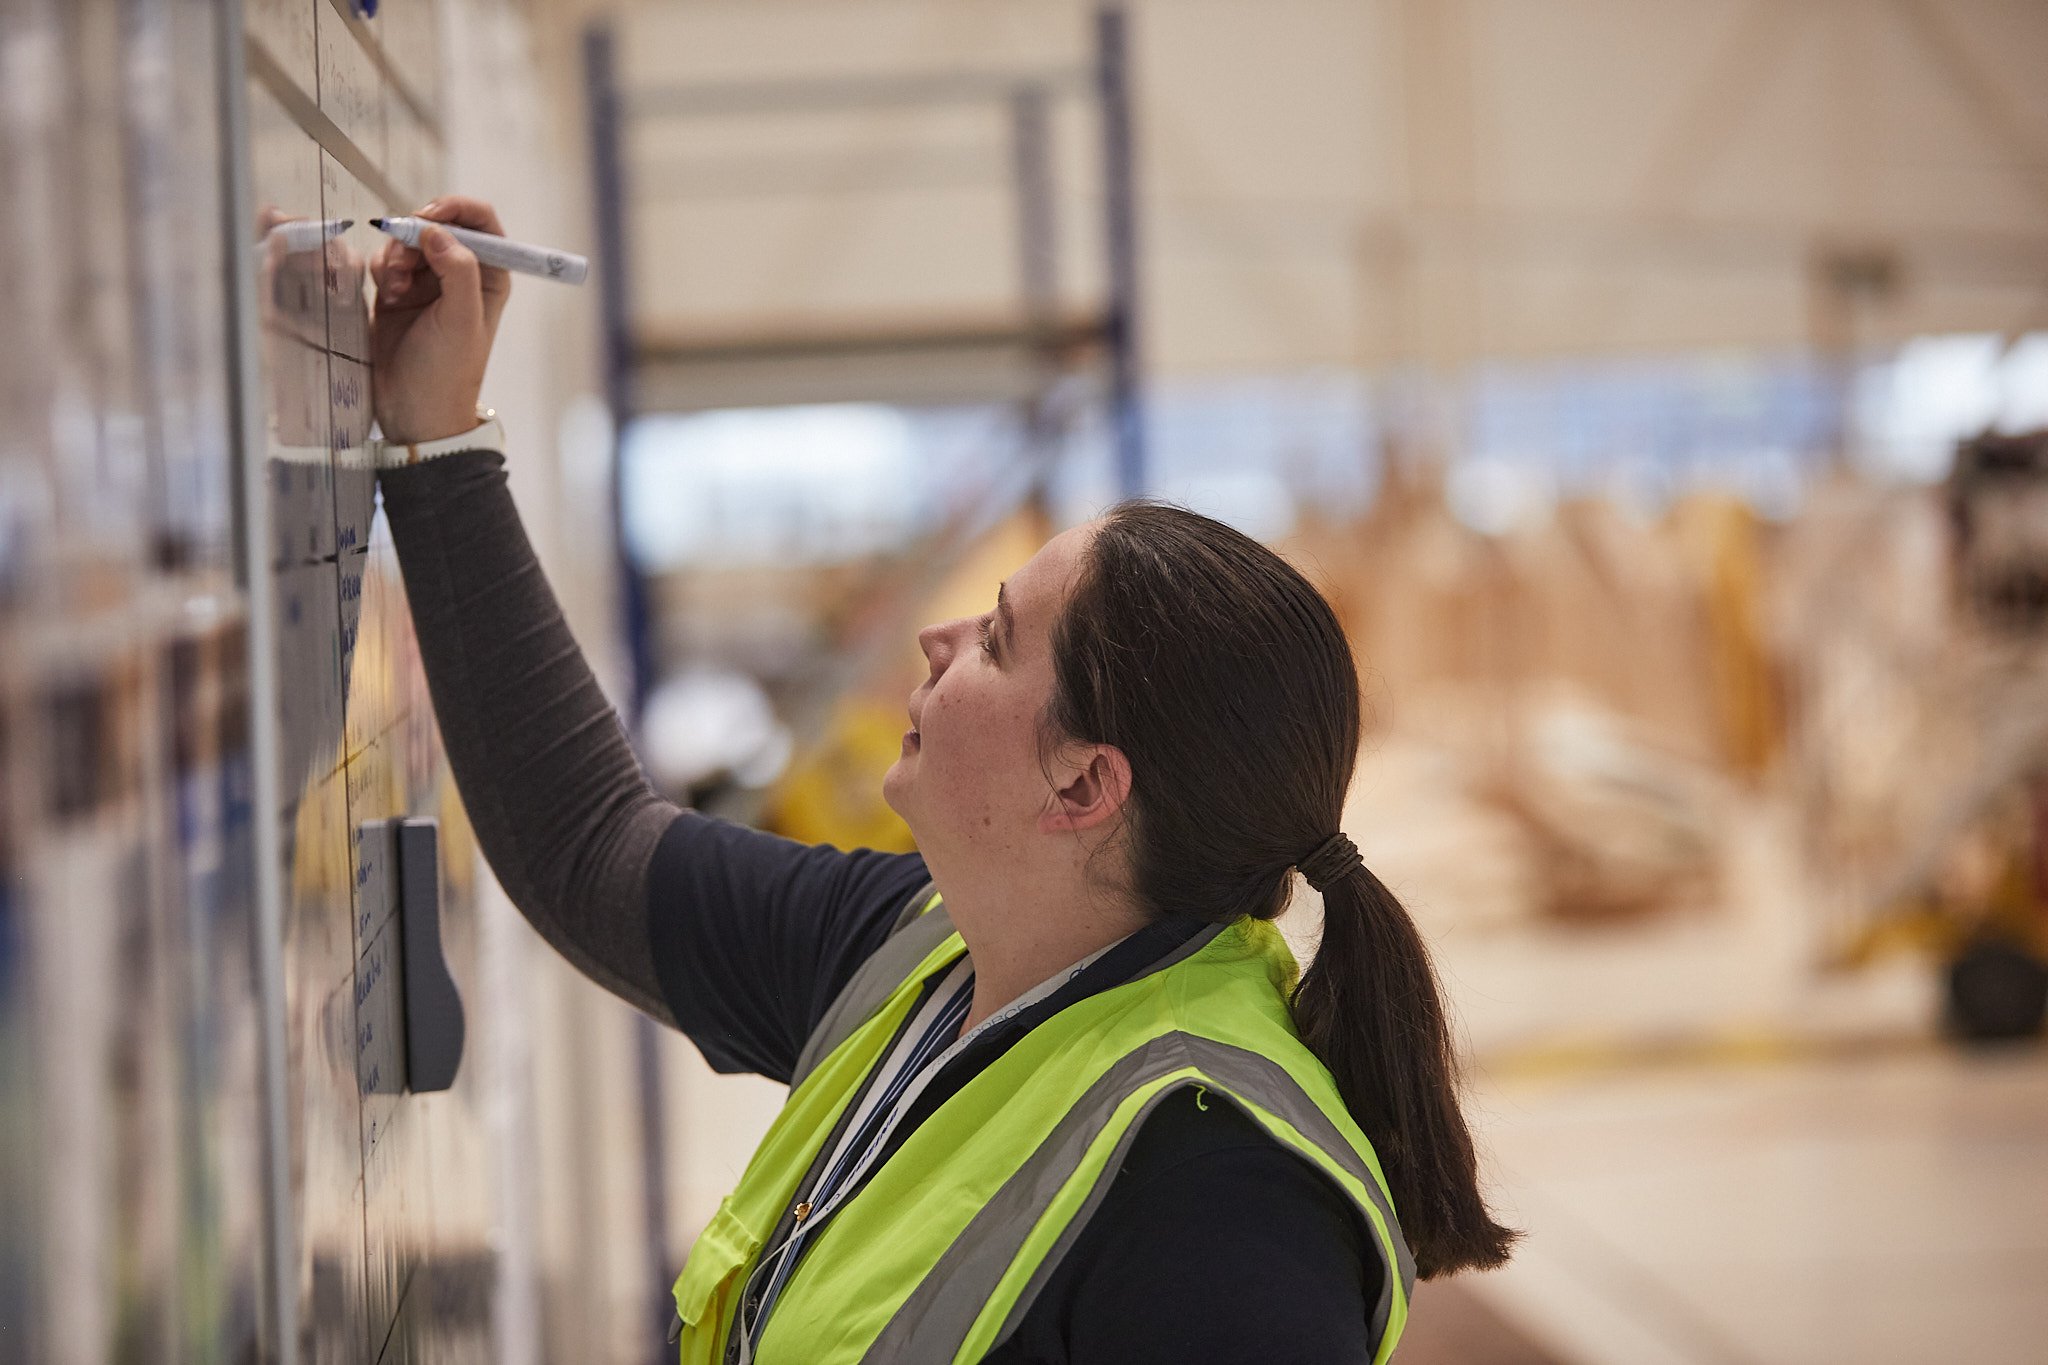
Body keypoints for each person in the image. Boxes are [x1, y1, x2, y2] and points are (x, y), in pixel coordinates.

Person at [368, 197, 1516, 1365]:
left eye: (998, 639)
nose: (938, 639)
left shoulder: (1221, 1200)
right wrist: (437, 433)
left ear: (1082, 788)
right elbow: (591, 847)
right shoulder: (919, 954)